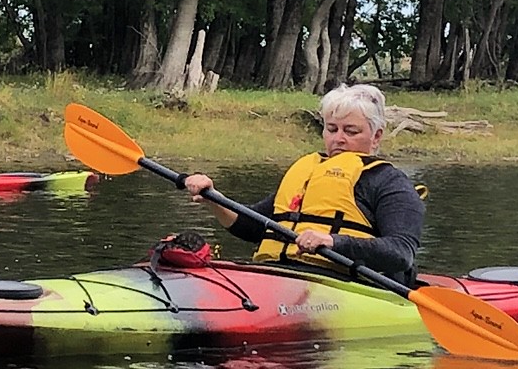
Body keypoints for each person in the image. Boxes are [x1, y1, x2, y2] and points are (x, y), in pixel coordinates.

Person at [180, 83, 423, 284]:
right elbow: (254, 227)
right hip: (279, 274)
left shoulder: (389, 181)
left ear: (376, 136)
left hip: (345, 285)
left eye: (351, 131)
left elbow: (400, 253)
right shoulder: (308, 171)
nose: (338, 139)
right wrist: (213, 198)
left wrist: (332, 241)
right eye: (332, 129)